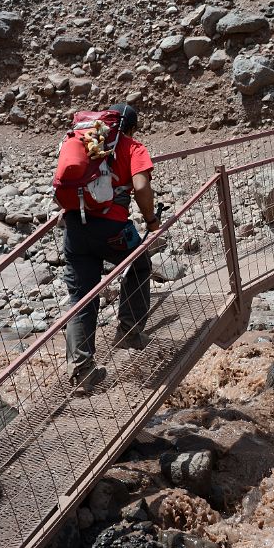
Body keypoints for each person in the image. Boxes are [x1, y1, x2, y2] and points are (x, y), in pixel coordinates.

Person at [63, 103, 160, 392]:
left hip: (76, 228)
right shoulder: (132, 148)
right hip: (112, 230)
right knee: (140, 262)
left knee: (82, 297)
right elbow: (141, 187)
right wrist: (152, 221)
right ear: (130, 128)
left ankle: (81, 370)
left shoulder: (84, 143)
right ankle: (129, 331)